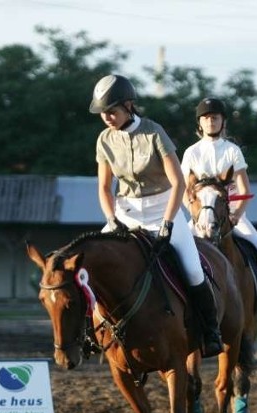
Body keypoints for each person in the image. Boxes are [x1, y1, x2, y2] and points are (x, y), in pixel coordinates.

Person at [89, 74, 223, 358]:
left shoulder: (153, 132)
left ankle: (210, 331)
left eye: (112, 111)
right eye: (103, 113)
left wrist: (168, 221)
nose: (107, 118)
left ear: (128, 105)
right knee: (91, 268)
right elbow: (103, 186)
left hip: (163, 207)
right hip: (125, 212)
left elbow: (177, 182)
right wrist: (111, 219)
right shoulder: (104, 140)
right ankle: (91, 334)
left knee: (193, 269)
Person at [180, 97, 257, 334]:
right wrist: (195, 214)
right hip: (200, 215)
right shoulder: (191, 152)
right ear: (200, 123)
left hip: (229, 215)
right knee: (176, 251)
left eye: (215, 117)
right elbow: (183, 191)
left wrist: (236, 215)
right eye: (206, 118)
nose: (211, 121)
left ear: (222, 122)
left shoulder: (232, 151)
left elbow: (244, 190)